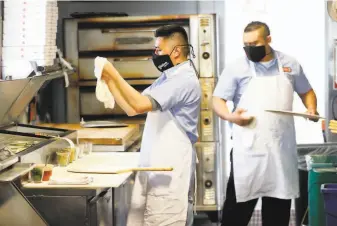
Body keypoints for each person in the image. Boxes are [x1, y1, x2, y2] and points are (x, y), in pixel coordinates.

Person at [212, 21, 319, 226]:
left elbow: (307, 91)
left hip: (280, 151)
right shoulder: (236, 68)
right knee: (236, 214)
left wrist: (311, 109)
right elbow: (217, 100)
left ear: (268, 39)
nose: (249, 49)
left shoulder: (290, 64)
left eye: (254, 43)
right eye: (246, 44)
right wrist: (230, 116)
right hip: (248, 152)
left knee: (277, 215)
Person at [100, 25, 201, 226]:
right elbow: (131, 108)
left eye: (159, 50)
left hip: (173, 170)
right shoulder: (167, 77)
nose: (155, 55)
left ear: (177, 51)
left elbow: (139, 105)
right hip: (158, 166)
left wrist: (112, 70)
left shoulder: (183, 80)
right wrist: (108, 80)